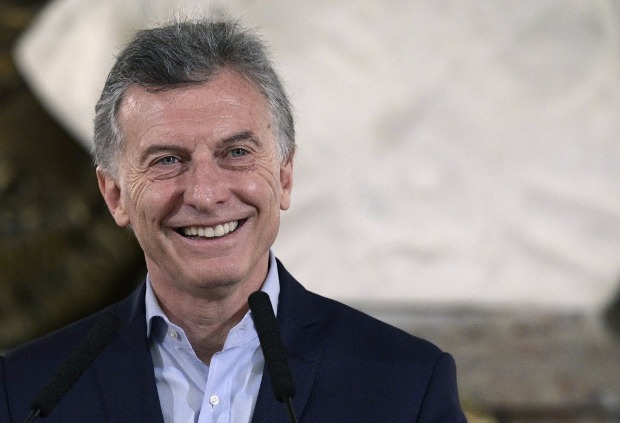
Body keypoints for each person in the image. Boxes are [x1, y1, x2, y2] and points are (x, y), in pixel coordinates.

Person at [0, 17, 467, 423]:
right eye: (166, 160)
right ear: (115, 194)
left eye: (237, 153)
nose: (205, 193)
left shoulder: (407, 386)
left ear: (284, 176)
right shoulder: (26, 391)